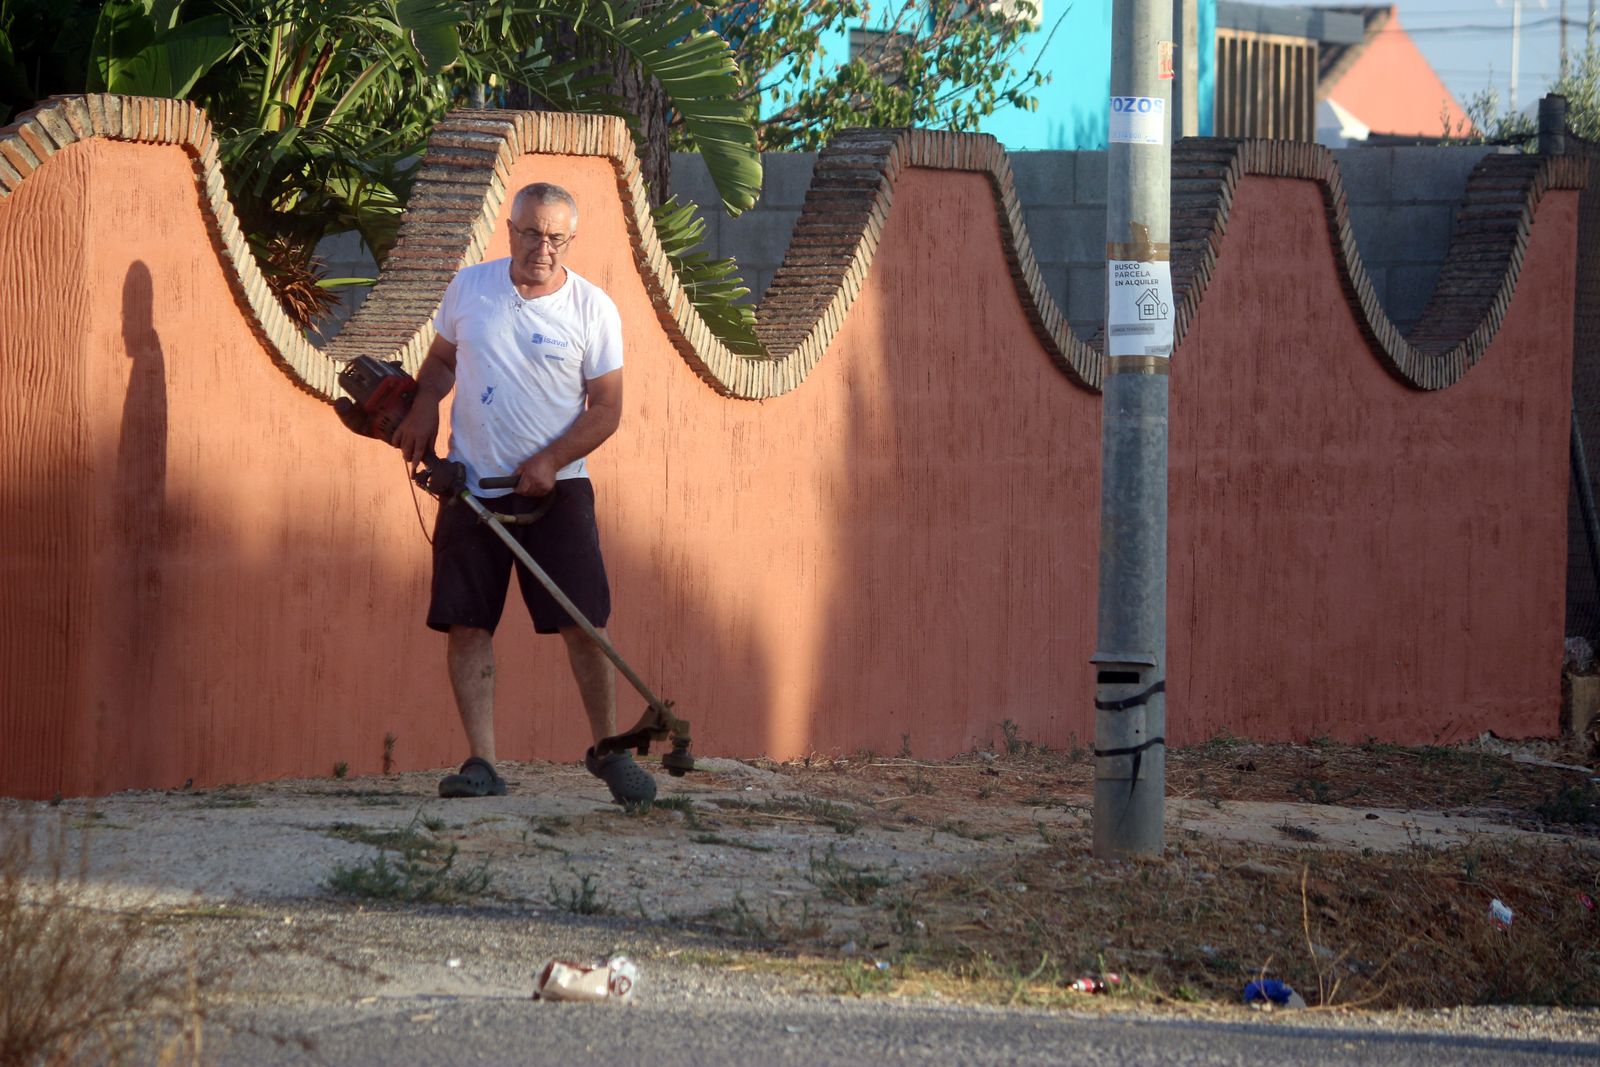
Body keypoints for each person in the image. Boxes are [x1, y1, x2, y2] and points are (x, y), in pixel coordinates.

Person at [393, 181, 655, 805]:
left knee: (585, 624)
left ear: (570, 240)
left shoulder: (594, 309)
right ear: (509, 231)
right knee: (466, 623)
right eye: (534, 234)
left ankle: (608, 752)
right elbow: (440, 364)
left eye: (558, 238)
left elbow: (609, 408)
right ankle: (482, 761)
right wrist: (426, 404)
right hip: (471, 488)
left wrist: (553, 458)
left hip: (557, 493)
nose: (545, 248)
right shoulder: (471, 289)